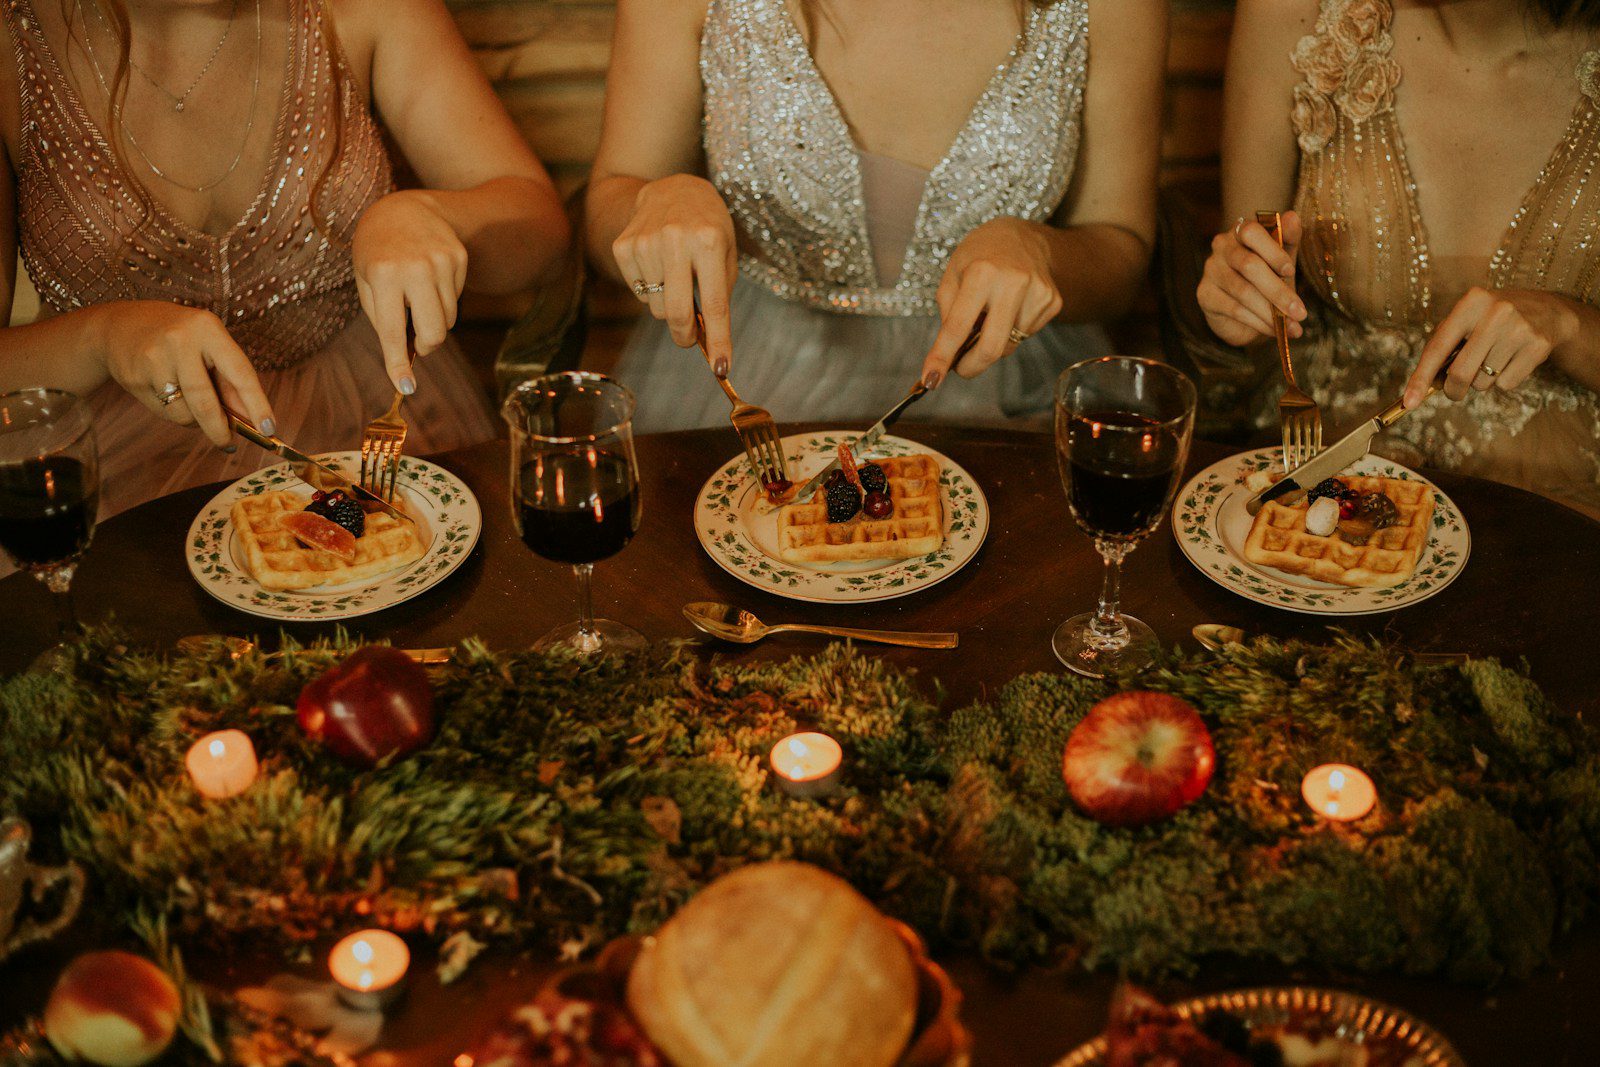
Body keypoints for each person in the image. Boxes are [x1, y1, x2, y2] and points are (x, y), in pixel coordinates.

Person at [0, 0, 570, 520]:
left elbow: (543, 238)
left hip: (375, 421)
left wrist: (430, 213)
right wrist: (103, 339)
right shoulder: (12, 42)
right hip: (107, 466)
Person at [586, 0, 1165, 432]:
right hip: (744, 377)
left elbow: (1121, 249)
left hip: (1007, 388)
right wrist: (658, 200)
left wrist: (1041, 251)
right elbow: (610, 204)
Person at [1198, 0, 1600, 518]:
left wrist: (1569, 327)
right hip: (1329, 484)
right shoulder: (1292, 13)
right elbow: (1252, 289)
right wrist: (1239, 301)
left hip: (1560, 514)